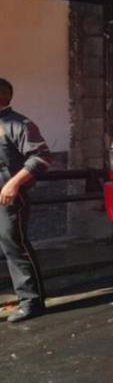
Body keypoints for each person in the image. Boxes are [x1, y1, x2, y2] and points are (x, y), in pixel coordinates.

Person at [0, 77, 52, 323]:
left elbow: (41, 157)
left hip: (9, 199)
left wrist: (14, 183)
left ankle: (31, 301)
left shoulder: (18, 124)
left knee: (15, 246)